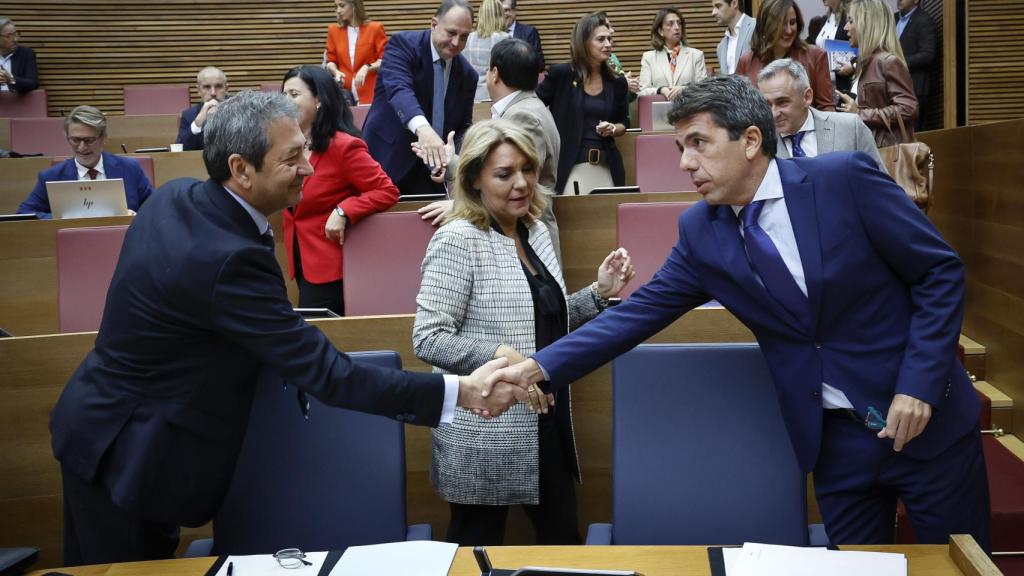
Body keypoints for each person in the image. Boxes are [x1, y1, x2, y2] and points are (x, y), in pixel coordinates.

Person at [488, 74, 991, 552]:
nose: (685, 162)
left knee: (962, 565)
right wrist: (539, 368)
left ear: (751, 140)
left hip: (928, 428)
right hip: (836, 445)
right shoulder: (702, 232)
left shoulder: (844, 180)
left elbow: (938, 273)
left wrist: (917, 384)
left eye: (698, 143)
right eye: (679, 147)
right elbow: (634, 315)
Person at [48, 90, 524, 566]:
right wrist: (462, 392)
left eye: (306, 151)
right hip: (130, 457)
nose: (309, 169)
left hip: (102, 427)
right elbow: (330, 376)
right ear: (241, 169)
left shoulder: (179, 196)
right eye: (292, 157)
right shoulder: (226, 259)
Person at [413, 119, 635, 546]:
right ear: (474, 179)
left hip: (546, 421)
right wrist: (505, 356)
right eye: (504, 174)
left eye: (527, 170)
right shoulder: (458, 239)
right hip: (484, 431)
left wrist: (598, 293)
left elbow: (544, 320)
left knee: (564, 545)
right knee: (478, 554)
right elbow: (428, 338)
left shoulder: (534, 230)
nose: (522, 183)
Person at [416, 39, 563, 261]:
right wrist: (452, 161)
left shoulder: (524, 116)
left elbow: (520, 184)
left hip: (527, 241)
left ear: (494, 73)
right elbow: (498, 171)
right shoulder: (527, 108)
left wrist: (460, 205)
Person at [281, 66, 399, 316]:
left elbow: (386, 190)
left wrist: (344, 210)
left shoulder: (343, 146)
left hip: (331, 266)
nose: (285, 101)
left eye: (293, 94)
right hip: (299, 258)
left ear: (319, 101)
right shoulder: (287, 145)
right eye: (283, 95)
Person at [362, 0, 477, 197]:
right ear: (433, 24)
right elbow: (399, 90)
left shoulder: (468, 75)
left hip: (432, 174)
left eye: (464, 37)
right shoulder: (402, 45)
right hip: (384, 161)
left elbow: (461, 127)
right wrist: (424, 130)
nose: (457, 43)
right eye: (451, 33)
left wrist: (452, 156)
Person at [537, 12, 628, 196]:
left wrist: (612, 128)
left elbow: (624, 124)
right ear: (584, 42)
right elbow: (534, 106)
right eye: (601, 39)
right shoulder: (561, 75)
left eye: (610, 39)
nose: (608, 44)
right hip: (569, 165)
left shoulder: (617, 82)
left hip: (607, 166)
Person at [17, 105, 153, 218]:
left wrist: (135, 217)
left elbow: (155, 208)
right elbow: (25, 213)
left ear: (104, 138)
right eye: (75, 140)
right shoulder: (51, 177)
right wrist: (62, 218)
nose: (82, 147)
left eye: (89, 140)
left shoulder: (130, 168)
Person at [757, 58, 883, 169]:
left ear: (807, 97)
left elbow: (882, 187)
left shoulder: (850, 128)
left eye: (782, 102)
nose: (773, 113)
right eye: (767, 104)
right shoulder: (759, 145)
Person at [838, 0, 917, 148]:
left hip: (885, 155)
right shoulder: (865, 63)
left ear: (866, 24)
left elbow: (908, 108)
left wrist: (860, 114)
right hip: (869, 151)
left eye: (850, 21)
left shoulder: (887, 62)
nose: (845, 28)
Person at [737, 0, 835, 112]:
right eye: (782, 24)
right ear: (766, 25)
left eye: (792, 22)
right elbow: (740, 110)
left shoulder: (815, 56)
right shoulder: (746, 61)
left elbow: (827, 109)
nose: (789, 30)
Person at [324, 0, 387, 106]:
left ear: (354, 5)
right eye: (336, 7)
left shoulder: (375, 28)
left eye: (342, 6)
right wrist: (336, 72)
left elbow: (385, 59)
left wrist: (367, 67)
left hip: (371, 92)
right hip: (345, 94)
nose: (338, 10)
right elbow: (330, 60)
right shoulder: (333, 31)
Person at [639, 7, 707, 99]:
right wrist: (661, 89)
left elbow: (705, 89)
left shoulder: (696, 55)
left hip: (688, 109)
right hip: (660, 110)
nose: (676, 27)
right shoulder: (649, 57)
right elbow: (642, 91)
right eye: (670, 24)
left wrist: (685, 89)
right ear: (661, 31)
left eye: (679, 23)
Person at [894, 0, 936, 130]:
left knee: (913, 135)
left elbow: (928, 54)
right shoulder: (892, 19)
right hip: (892, 87)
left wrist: (899, 63)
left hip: (914, 89)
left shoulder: (924, 20)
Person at [176, 66, 229, 151]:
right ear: (199, 90)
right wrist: (197, 124)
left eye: (218, 86)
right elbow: (181, 151)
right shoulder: (189, 116)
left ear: (226, 89)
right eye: (207, 87)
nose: (213, 93)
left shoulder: (242, 111)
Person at [464, 0, 508, 101]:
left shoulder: (467, 38)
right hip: (496, 97)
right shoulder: (505, 39)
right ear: (500, 15)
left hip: (470, 96)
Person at [810, 0, 853, 96]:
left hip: (843, 82)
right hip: (822, 80)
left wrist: (853, 67)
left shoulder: (850, 19)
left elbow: (862, 49)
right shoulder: (825, 19)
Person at [712, 0, 755, 75]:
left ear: (734, 3)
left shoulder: (756, 27)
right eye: (713, 7)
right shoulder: (721, 47)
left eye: (718, 6)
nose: (713, 12)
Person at [502, 0, 544, 71]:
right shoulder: (491, 34)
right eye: (499, 11)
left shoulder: (529, 32)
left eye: (506, 10)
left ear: (515, 11)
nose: (503, 14)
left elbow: (539, 63)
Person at [0, 17, 37, 93]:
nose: (15, 39)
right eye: (9, 36)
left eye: (16, 34)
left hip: (17, 102)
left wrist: (11, 79)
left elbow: (33, 83)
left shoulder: (26, 54)